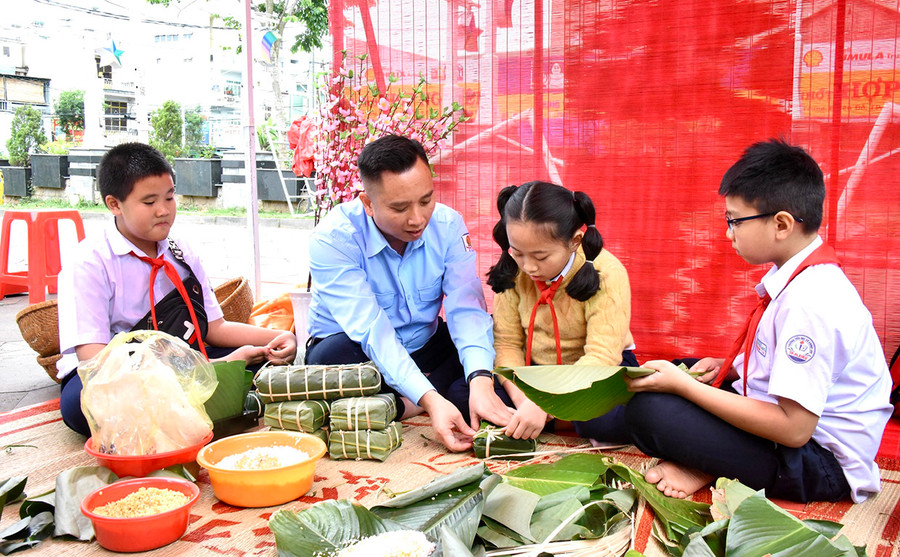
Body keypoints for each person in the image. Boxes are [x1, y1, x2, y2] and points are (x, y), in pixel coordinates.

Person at [624, 139, 892, 503]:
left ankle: (709, 464)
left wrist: (687, 389)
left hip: (821, 463)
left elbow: (795, 429)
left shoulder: (811, 301)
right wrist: (727, 369)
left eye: (735, 221)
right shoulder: (798, 278)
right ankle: (711, 461)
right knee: (679, 371)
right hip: (793, 436)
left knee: (651, 410)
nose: (728, 233)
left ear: (781, 224)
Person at [57, 142, 297, 436]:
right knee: (80, 406)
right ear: (114, 204)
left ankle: (194, 394)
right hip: (122, 372)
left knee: (267, 358)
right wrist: (206, 369)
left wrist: (280, 336)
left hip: (186, 354)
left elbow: (214, 327)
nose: (163, 211)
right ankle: (205, 390)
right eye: (149, 202)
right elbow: (95, 358)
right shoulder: (89, 262)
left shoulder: (180, 252)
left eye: (169, 197)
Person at [305, 134, 511, 452]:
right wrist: (430, 400)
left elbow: (465, 310)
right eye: (400, 208)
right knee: (331, 361)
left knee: (487, 334)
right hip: (357, 351)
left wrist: (481, 380)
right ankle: (423, 396)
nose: (417, 219)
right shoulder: (333, 239)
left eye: (426, 200)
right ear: (368, 203)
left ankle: (402, 401)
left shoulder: (448, 225)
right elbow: (374, 333)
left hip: (422, 343)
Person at [487, 181, 636, 441]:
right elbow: (508, 345)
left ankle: (550, 420)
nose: (529, 267)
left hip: (597, 372)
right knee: (468, 393)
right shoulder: (513, 269)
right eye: (518, 253)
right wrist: (525, 401)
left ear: (575, 241)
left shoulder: (608, 272)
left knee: (605, 419)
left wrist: (546, 404)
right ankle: (554, 421)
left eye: (541, 257)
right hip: (534, 373)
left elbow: (602, 356)